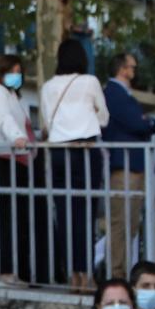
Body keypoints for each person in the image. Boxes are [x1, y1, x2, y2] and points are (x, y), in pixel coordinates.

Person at [40, 39, 108, 287]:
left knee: (65, 213)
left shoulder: (48, 87)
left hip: (58, 152)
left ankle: (71, 275)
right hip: (85, 150)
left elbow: (46, 122)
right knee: (86, 214)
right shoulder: (90, 82)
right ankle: (86, 275)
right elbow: (103, 117)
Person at [0, 53, 36, 285]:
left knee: (19, 214)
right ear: (2, 72)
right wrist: (19, 138)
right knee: (7, 212)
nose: (18, 75)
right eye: (13, 71)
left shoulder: (14, 96)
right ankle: (4, 271)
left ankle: (17, 272)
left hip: (16, 159)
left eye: (19, 71)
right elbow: (4, 120)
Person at [101, 52, 155, 273]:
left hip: (132, 165)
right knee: (121, 224)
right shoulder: (114, 93)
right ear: (123, 69)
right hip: (124, 166)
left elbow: (143, 124)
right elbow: (138, 124)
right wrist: (149, 123)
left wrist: (148, 123)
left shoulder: (121, 94)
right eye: (132, 68)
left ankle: (122, 272)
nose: (134, 72)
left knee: (130, 224)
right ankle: (117, 274)